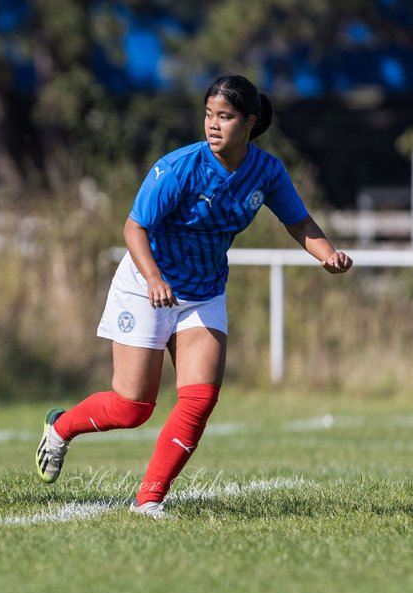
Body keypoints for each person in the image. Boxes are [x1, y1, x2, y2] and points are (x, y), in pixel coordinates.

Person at [35, 74, 353, 517]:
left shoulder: (267, 171)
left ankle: (148, 500)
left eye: (225, 116)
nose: (213, 124)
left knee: (200, 398)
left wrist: (327, 254)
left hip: (204, 293)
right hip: (146, 287)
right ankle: (61, 427)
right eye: (208, 114)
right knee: (132, 408)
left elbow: (298, 222)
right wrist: (152, 278)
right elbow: (134, 228)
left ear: (250, 122)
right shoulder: (179, 167)